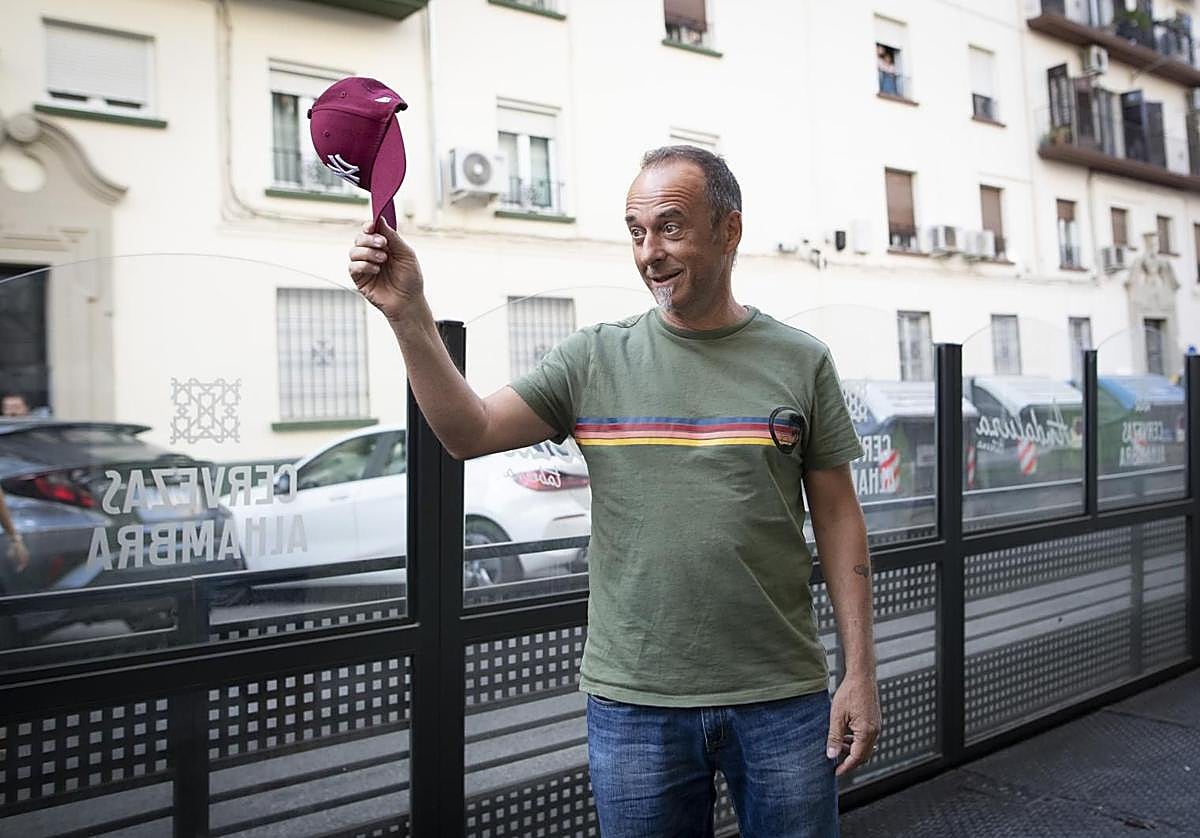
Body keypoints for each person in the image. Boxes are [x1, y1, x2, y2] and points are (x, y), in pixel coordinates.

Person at [348, 146, 880, 837]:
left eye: (670, 227)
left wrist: (860, 671)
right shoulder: (594, 358)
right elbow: (467, 430)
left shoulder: (798, 360)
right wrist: (408, 316)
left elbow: (840, 519)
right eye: (636, 232)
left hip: (780, 698)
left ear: (730, 231)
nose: (650, 252)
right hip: (635, 705)